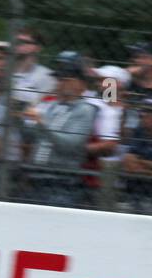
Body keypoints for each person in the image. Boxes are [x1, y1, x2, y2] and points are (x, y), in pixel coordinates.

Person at [23, 58, 98, 207]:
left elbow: (70, 145)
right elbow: (31, 136)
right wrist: (18, 119)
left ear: (81, 84)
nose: (60, 82)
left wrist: (41, 124)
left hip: (61, 183)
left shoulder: (86, 110)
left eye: (66, 79)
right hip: (35, 178)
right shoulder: (50, 105)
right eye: (59, 78)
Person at [10, 28, 55, 107]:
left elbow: (48, 105)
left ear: (38, 48)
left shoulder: (47, 76)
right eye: (17, 42)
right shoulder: (3, 70)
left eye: (25, 42)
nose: (18, 45)